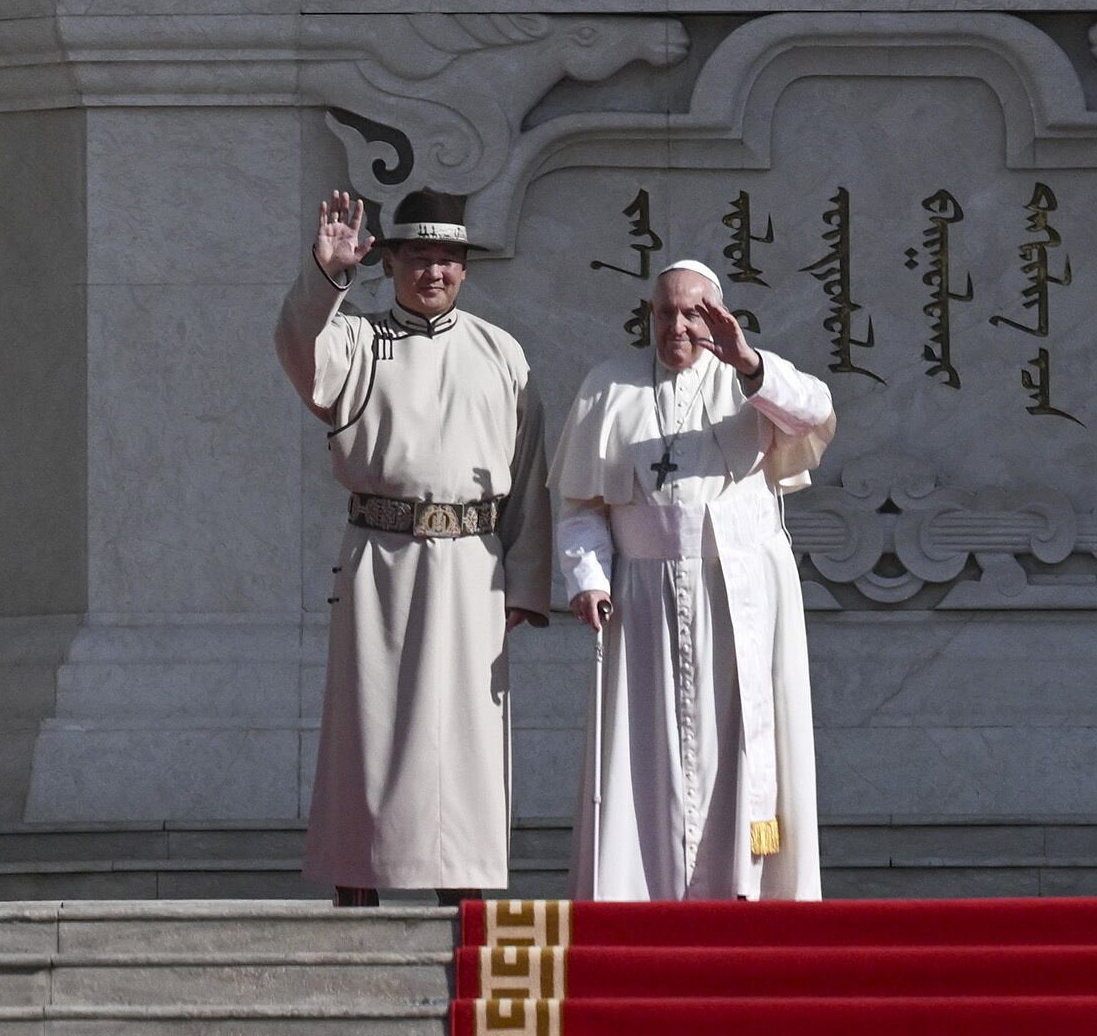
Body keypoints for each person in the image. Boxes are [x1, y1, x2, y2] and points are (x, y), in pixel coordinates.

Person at [280, 186, 555, 905]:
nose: (432, 273)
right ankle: (357, 884)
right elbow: (299, 346)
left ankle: (462, 890)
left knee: (464, 732)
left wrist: (525, 584)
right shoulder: (356, 340)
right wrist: (327, 274)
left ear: (465, 269)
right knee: (367, 724)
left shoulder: (503, 353)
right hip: (381, 555)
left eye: (447, 260)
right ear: (390, 261)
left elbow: (529, 477)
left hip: (472, 564)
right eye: (418, 258)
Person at [551, 258, 837, 898]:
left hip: (739, 597)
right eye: (663, 313)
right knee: (644, 755)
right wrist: (588, 578)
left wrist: (750, 363)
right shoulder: (608, 386)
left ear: (717, 314)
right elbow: (580, 509)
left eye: (691, 313)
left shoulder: (751, 379)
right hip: (642, 602)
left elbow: (815, 414)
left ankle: (748, 894)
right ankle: (638, 899)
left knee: (738, 749)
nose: (675, 326)